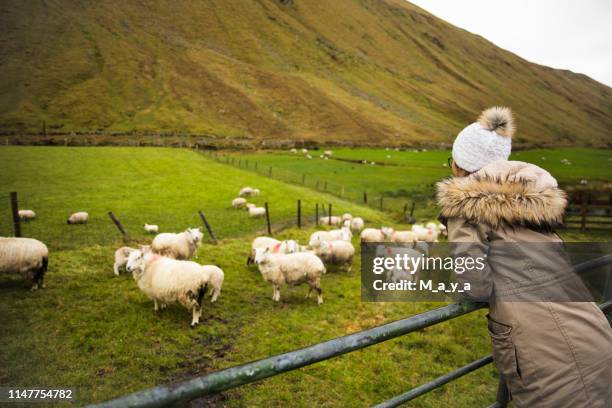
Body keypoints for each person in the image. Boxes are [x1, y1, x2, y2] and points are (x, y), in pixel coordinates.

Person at [436, 107, 612, 407]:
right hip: (596, 338)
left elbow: (473, 285)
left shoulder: (466, 206)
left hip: (544, 360)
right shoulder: (534, 202)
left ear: (461, 167)